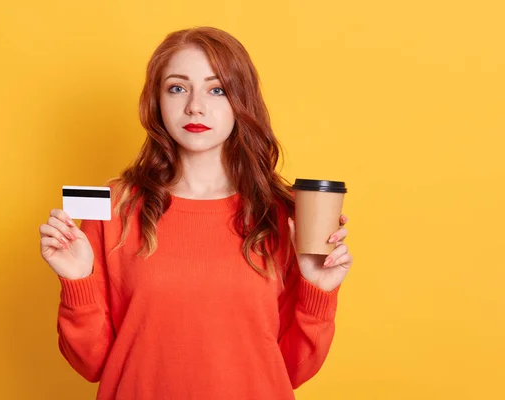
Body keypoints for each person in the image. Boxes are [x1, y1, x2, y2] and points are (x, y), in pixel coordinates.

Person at [39, 26, 353, 400]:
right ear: (156, 101)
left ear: (242, 100)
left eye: (216, 89)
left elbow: (292, 371)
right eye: (177, 87)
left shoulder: (285, 213)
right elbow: (92, 364)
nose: (195, 106)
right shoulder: (112, 205)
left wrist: (317, 291)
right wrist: (77, 283)